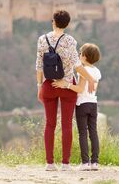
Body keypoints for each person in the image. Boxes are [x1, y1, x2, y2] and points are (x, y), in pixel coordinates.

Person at [35, 10, 97, 171]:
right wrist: (89, 78)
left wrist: (39, 86)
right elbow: (77, 65)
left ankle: (49, 163)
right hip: (67, 85)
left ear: (53, 22)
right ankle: (65, 164)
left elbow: (39, 66)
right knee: (67, 125)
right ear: (67, 24)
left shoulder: (42, 40)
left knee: (50, 124)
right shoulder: (70, 41)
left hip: (49, 85)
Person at [53, 43, 102, 171]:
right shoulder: (97, 71)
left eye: (80, 54)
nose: (79, 56)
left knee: (82, 133)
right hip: (93, 104)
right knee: (93, 132)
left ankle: (85, 163)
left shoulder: (84, 72)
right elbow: (93, 88)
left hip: (82, 104)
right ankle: (95, 162)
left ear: (84, 57)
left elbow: (80, 89)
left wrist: (66, 85)